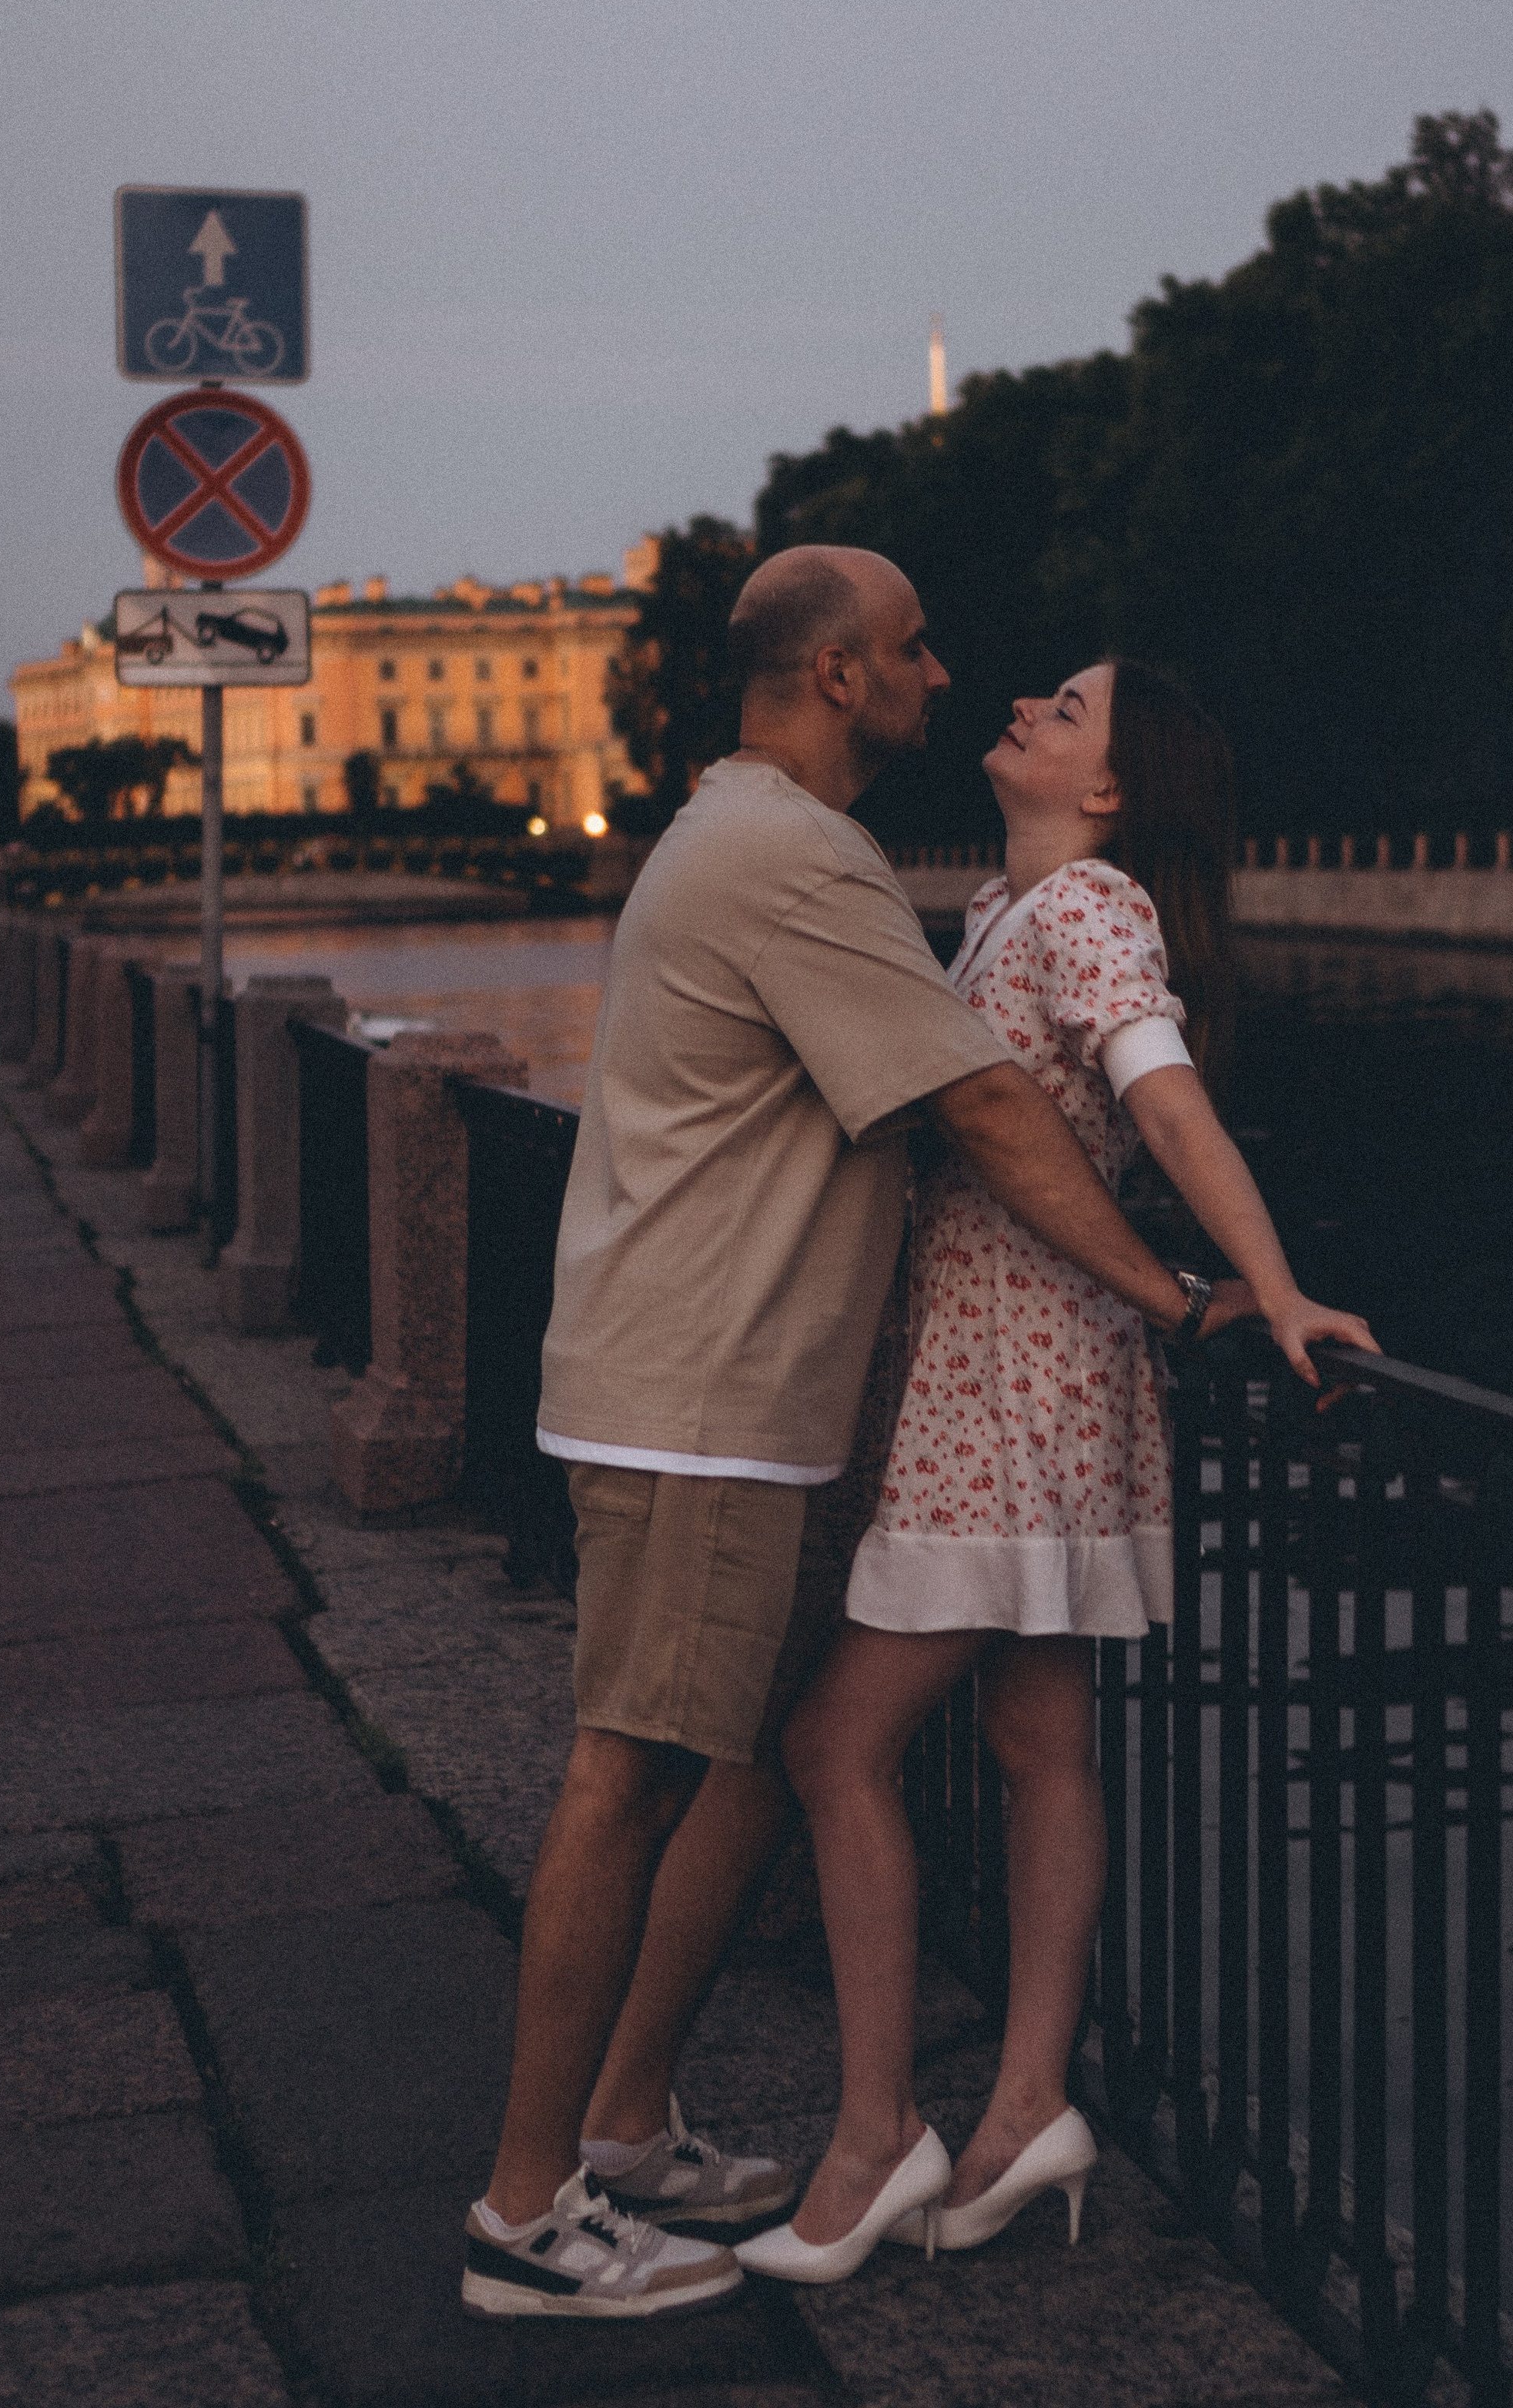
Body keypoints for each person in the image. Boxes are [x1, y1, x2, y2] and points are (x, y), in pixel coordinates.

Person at [464, 563, 1254, 2322]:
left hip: (754, 1391)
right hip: (705, 1398)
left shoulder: (754, 837)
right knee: (635, 1768)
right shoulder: (801, 863)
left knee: (751, 1755)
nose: (943, 673)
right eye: (909, 650)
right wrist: (1175, 1294)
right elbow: (978, 1103)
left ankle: (631, 2114)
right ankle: (526, 2216)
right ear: (836, 673)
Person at [737, 658, 1377, 2285]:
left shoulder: (1088, 905)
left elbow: (1163, 1105)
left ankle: (874, 2137)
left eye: (1068, 706)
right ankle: (1026, 2105)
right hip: (1029, 1372)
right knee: (1038, 1739)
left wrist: (1275, 1285)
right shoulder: (996, 912)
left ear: (1109, 791)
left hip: (1009, 1383)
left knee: (831, 1744)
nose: (1025, 703)